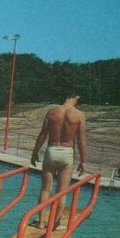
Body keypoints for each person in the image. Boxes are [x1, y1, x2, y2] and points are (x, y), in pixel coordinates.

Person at [30, 94, 87, 229]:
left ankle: (41, 222)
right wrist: (83, 160)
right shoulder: (79, 115)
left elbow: (43, 134)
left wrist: (35, 153)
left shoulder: (52, 111)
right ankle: (56, 224)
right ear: (76, 97)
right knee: (62, 191)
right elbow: (81, 140)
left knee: (45, 189)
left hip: (51, 150)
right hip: (67, 152)